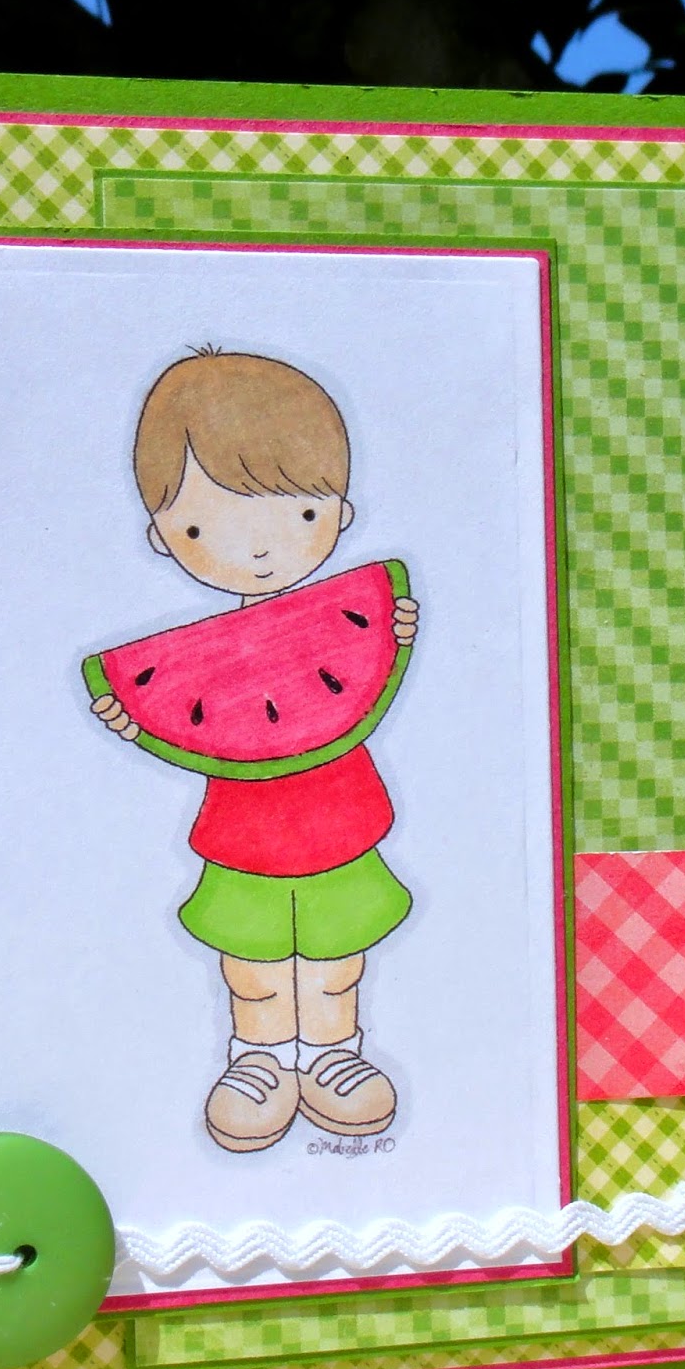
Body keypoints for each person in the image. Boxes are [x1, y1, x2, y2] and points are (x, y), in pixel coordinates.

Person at [92, 348, 418, 1153]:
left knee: (339, 956)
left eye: (299, 514)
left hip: (342, 825)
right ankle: (259, 1060)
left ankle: (334, 1053)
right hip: (242, 838)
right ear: (163, 536)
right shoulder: (207, 653)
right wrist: (139, 720)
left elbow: (359, 676)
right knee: (253, 964)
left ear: (340, 511)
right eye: (203, 525)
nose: (262, 547)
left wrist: (391, 631)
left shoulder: (349, 613)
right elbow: (192, 721)